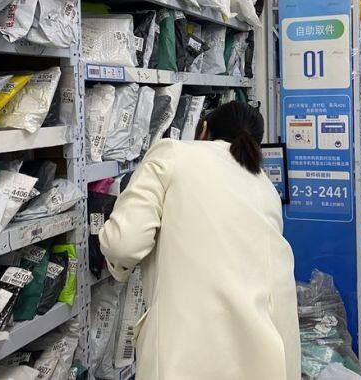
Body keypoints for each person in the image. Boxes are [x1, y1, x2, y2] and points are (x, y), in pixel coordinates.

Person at [99, 101, 301, 380]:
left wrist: (117, 265)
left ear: (203, 129)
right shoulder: (264, 185)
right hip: (267, 350)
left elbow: (123, 244)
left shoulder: (174, 153)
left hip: (187, 353)